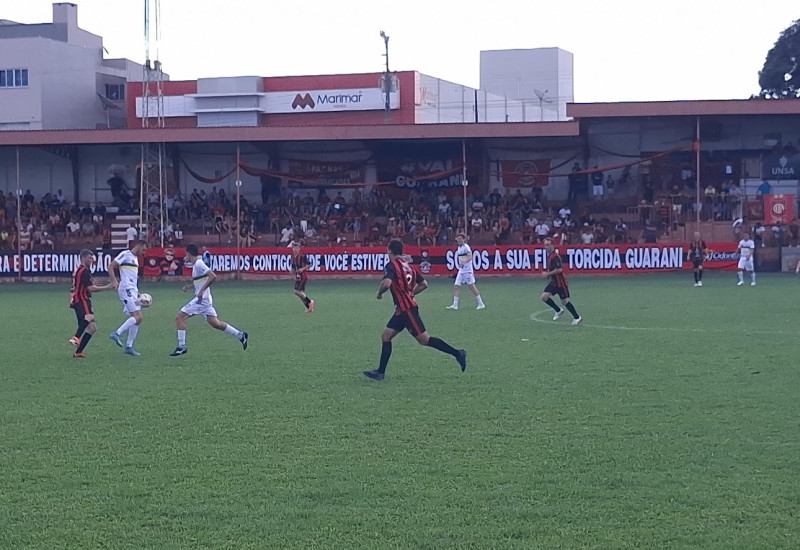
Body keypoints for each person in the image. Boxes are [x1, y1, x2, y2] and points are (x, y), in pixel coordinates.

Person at [363, 239, 467, 381]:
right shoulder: (409, 267)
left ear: (389, 251)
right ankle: (380, 372)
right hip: (402, 310)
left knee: (424, 339)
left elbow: (386, 284)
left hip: (407, 310)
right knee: (386, 336)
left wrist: (379, 293)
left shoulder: (391, 265)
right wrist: (410, 293)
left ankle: (458, 353)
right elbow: (424, 284)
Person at [169, 244, 248, 356]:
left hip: (202, 300)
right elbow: (201, 280)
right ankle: (240, 335)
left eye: (186, 254)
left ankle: (181, 346)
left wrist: (201, 291)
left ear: (188, 253)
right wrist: (190, 286)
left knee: (179, 317)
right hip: (206, 300)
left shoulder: (199, 263)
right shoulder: (197, 265)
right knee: (215, 323)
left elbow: (212, 276)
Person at [68, 249, 113, 358]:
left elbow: (78, 284)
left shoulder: (79, 270)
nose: (92, 260)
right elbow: (90, 288)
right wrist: (107, 287)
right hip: (82, 299)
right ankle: (76, 337)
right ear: (83, 258)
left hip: (77, 299)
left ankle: (78, 352)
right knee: (89, 317)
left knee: (92, 328)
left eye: (92, 258)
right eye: (90, 258)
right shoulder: (84, 271)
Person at [108, 239, 148, 356]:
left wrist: (137, 293)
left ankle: (129, 347)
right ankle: (117, 333)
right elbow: (110, 266)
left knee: (138, 319)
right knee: (138, 316)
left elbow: (132, 278)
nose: (144, 252)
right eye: (144, 249)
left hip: (132, 290)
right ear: (139, 246)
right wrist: (114, 281)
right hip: (126, 289)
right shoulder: (125, 254)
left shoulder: (135, 259)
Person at [540, 237, 582, 325]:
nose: (545, 247)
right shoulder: (550, 256)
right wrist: (549, 274)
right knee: (544, 297)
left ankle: (577, 317)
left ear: (552, 245)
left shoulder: (555, 256)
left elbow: (559, 269)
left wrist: (548, 274)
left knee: (565, 301)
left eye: (548, 245)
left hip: (560, 283)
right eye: (545, 245)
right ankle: (558, 310)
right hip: (554, 282)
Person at [446, 233, 485, 310]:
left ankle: (481, 303)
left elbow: (470, 256)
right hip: (461, 271)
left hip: (467, 271)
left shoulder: (466, 247)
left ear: (464, 239)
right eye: (458, 238)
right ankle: (455, 305)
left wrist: (464, 262)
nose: (459, 240)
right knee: (456, 286)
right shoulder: (459, 248)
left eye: (460, 238)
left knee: (472, 287)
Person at [290, 240, 315, 312]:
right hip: (298, 277)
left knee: (296, 291)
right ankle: (309, 307)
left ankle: (310, 302)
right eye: (294, 248)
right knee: (300, 293)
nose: (295, 249)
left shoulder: (302, 256)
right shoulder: (293, 257)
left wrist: (302, 269)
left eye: (297, 248)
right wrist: (292, 271)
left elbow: (309, 264)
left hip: (303, 277)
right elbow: (293, 266)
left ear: (299, 248)